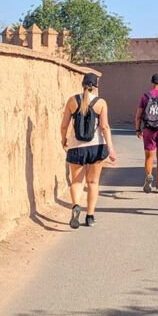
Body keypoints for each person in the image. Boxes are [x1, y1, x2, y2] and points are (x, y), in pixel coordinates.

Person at [60, 72, 117, 228]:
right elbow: (104, 127)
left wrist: (63, 138)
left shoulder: (72, 101)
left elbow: (64, 125)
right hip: (96, 147)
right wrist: (110, 147)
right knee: (92, 182)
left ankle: (76, 206)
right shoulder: (101, 103)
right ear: (95, 86)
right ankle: (90, 216)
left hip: (76, 148)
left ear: (82, 84)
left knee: (76, 182)